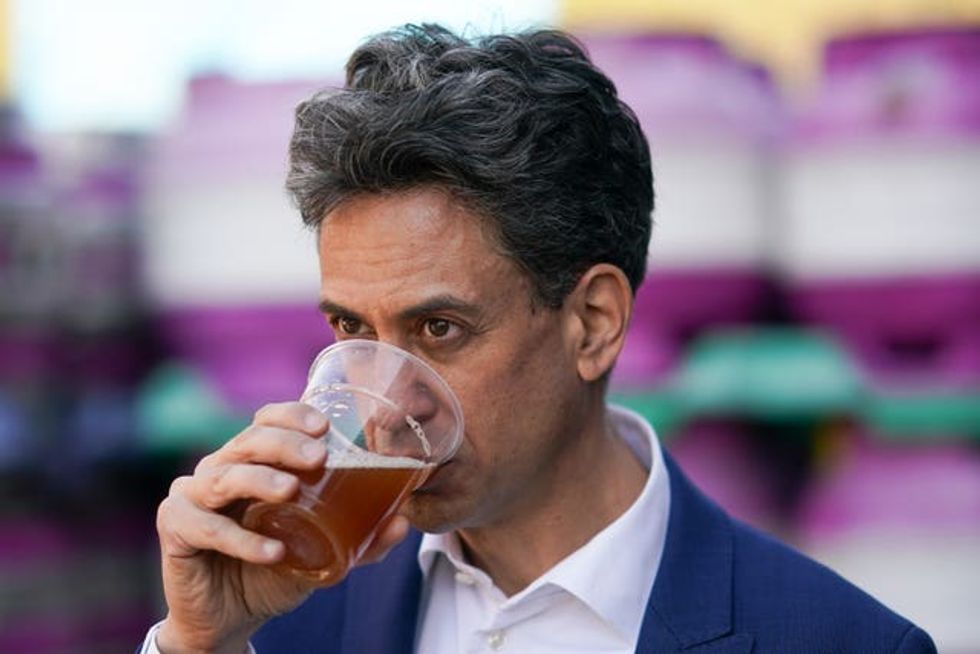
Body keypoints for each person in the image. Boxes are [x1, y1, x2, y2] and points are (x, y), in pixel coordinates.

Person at [141, 24, 937, 654]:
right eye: (352, 329)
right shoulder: (285, 617)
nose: (381, 410)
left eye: (439, 329)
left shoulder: (837, 640)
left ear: (593, 323)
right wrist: (197, 646)